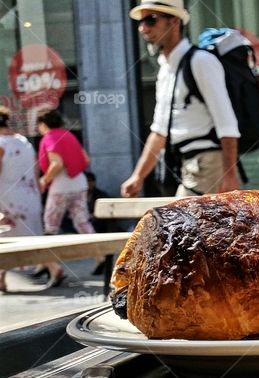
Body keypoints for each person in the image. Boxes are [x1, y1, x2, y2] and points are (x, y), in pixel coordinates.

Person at [122, 0, 241, 198]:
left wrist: (230, 175)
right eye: (141, 22)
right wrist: (138, 176)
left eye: (151, 20)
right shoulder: (166, 70)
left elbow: (227, 123)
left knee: (181, 225)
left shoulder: (200, 61)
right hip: (185, 164)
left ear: (174, 22)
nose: (143, 28)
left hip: (207, 164)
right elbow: (159, 132)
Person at [37, 109, 95, 287]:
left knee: (50, 226)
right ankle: (101, 257)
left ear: (43, 124)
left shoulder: (49, 137)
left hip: (60, 186)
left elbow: (57, 163)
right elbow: (86, 160)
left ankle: (53, 267)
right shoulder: (69, 135)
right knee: (82, 221)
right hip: (79, 182)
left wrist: (44, 180)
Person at [0, 107, 43, 292]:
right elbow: (36, 169)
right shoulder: (24, 141)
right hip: (29, 194)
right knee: (30, 237)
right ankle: (54, 267)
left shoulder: (1, 143)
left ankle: (1, 277)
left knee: (6, 239)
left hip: (8, 196)